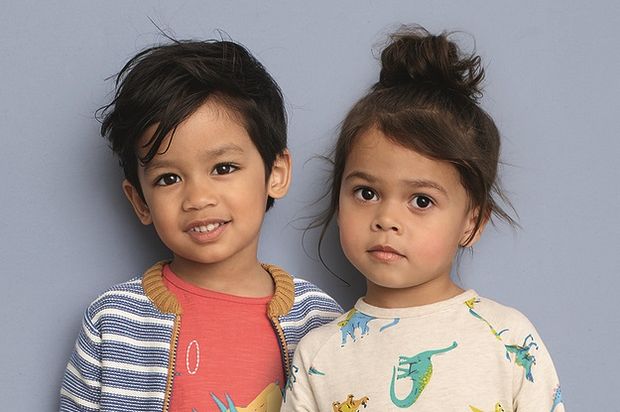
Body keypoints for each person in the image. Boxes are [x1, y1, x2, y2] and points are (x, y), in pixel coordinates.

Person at [281, 26, 564, 411]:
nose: (386, 219)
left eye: (421, 200)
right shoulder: (318, 354)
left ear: (472, 222)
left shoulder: (508, 338)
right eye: (367, 193)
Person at [59, 38, 342, 412]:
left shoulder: (320, 318)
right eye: (168, 178)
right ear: (140, 200)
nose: (197, 197)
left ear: (276, 173)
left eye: (223, 168)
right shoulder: (114, 322)